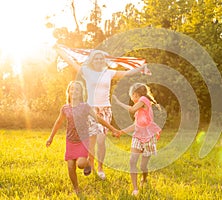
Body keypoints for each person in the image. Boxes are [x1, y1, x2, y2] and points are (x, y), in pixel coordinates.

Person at [55, 46, 148, 180]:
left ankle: (100, 168)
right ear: (92, 60)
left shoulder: (108, 72)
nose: (98, 60)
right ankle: (90, 165)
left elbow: (127, 73)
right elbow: (72, 63)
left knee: (101, 140)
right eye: (96, 58)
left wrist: (142, 68)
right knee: (92, 141)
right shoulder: (86, 71)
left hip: (105, 109)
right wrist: (60, 51)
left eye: (100, 58)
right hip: (91, 109)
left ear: (104, 60)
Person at [45, 81, 118, 195]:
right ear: (68, 92)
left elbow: (98, 119)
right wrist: (51, 137)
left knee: (80, 164)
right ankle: (76, 188)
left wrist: (112, 128)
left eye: (77, 90)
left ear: (81, 93)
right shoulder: (65, 108)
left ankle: (88, 163)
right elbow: (58, 122)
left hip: (83, 141)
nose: (74, 91)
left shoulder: (85, 107)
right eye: (72, 89)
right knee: (70, 166)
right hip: (70, 141)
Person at [113, 83, 161, 196]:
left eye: (132, 96)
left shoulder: (144, 99)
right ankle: (135, 189)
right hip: (138, 137)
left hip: (149, 137)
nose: (132, 99)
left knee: (143, 166)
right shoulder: (139, 111)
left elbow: (131, 110)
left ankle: (144, 179)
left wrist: (118, 103)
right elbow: (135, 126)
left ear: (135, 94)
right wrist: (121, 132)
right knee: (132, 161)